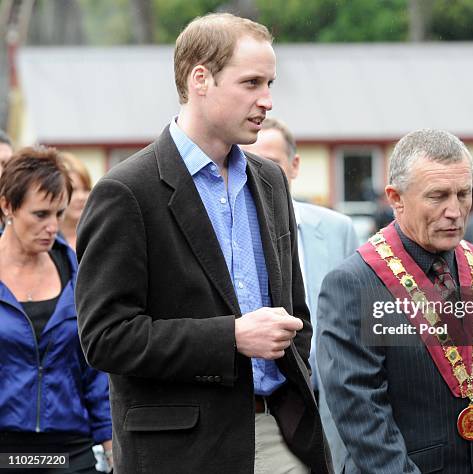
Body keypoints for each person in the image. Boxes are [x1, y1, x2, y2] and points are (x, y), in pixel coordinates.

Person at [76, 13, 331, 474]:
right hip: (180, 452)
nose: (268, 100)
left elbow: (296, 312)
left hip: (282, 436)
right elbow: (105, 338)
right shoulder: (126, 191)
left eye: (269, 83)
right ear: (200, 79)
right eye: (251, 82)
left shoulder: (270, 180)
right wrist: (230, 337)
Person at [317, 129, 473, 473]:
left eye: (463, 194)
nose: (455, 211)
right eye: (438, 196)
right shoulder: (355, 282)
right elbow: (362, 415)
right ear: (396, 197)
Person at [243, 117, 358, 471]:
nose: (258, 172)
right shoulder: (241, 235)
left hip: (333, 398)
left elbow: (357, 320)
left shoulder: (338, 230)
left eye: (271, 162)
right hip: (275, 406)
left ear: (293, 166)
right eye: (250, 161)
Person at [0, 147, 112, 473]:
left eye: (58, 214)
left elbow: (95, 370)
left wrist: (111, 445)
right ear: (7, 205)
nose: (52, 226)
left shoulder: (77, 273)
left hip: (69, 450)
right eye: (40, 215)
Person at [59, 152, 92, 249]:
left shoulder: (97, 235)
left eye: (86, 189)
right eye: (73, 190)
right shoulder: (46, 239)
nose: (81, 197)